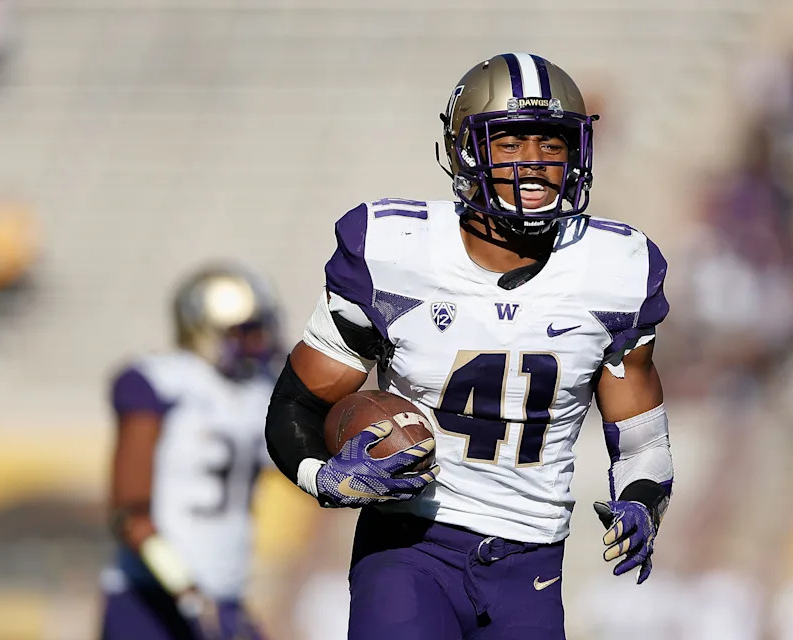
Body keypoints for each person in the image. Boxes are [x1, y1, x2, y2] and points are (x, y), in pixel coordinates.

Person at [265, 53, 674, 640]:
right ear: (465, 151)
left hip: (531, 561)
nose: (534, 165)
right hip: (411, 547)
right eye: (510, 144)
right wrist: (323, 477)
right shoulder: (394, 252)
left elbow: (642, 441)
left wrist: (640, 502)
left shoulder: (615, 270)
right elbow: (297, 404)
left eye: (551, 145)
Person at [101, 264, 281, 640]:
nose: (257, 344)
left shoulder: (257, 394)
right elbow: (130, 516)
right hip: (150, 602)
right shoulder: (162, 382)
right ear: (206, 330)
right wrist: (189, 593)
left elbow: (308, 475)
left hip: (225, 599)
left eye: (259, 330)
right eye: (243, 332)